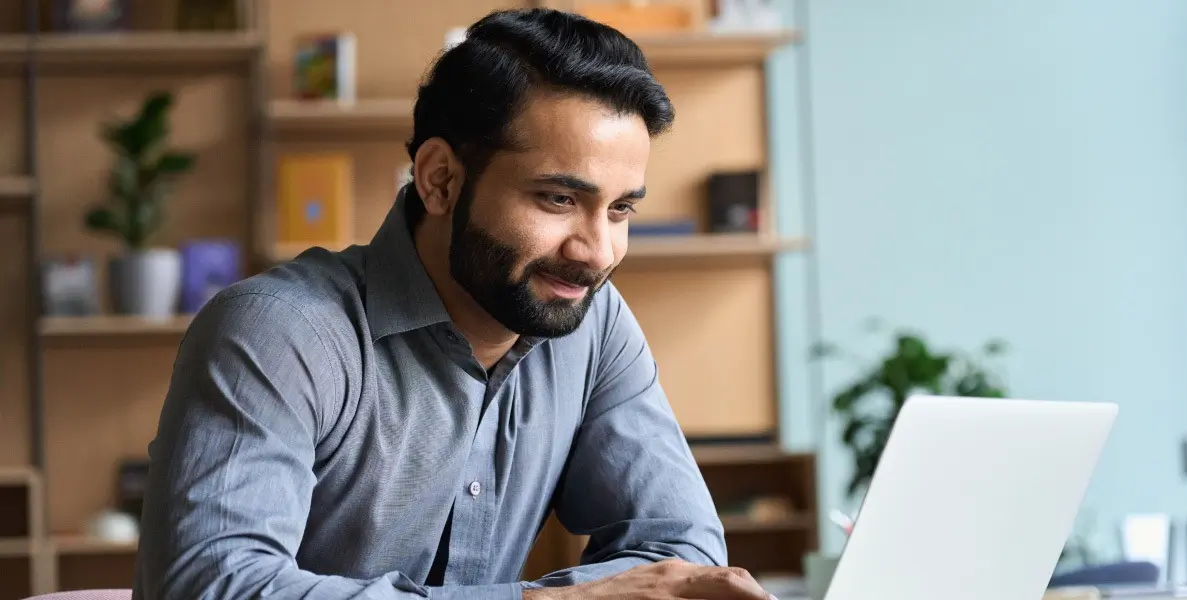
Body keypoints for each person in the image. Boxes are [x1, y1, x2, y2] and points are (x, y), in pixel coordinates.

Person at [132, 7, 776, 600]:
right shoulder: (281, 332)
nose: (598, 251)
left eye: (620, 209)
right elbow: (211, 588)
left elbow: (682, 552)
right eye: (558, 199)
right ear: (440, 179)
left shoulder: (594, 326)